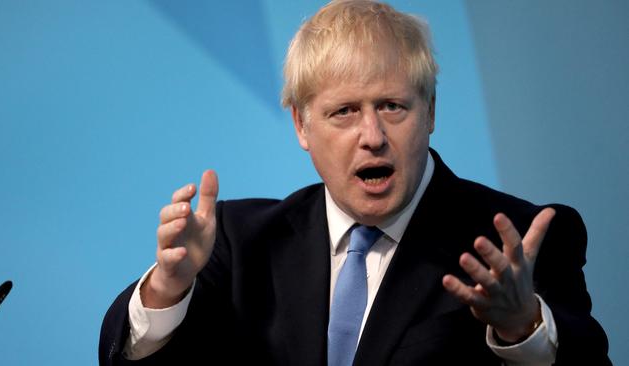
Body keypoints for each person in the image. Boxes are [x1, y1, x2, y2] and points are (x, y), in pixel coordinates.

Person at [99, 1, 610, 365]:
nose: (372, 136)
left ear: (430, 110)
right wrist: (169, 288)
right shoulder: (237, 240)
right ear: (302, 125)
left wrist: (522, 327)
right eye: (343, 112)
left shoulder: (520, 241)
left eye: (392, 106)